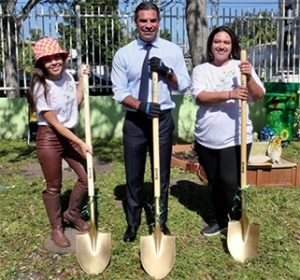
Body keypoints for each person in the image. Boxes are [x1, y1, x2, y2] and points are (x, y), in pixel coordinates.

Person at [111, 2, 190, 242]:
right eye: (143, 20)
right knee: (134, 175)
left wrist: (167, 71)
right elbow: (118, 91)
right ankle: (133, 223)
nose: (148, 25)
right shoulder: (124, 54)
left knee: (161, 173)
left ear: (159, 22)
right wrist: (141, 105)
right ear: (135, 22)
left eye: (152, 20)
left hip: (162, 119)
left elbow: (183, 85)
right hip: (136, 119)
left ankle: (160, 221)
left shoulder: (172, 50)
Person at [191, 26, 265, 236]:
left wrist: (249, 77)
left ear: (232, 46)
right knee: (214, 182)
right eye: (217, 42)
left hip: (236, 137)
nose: (221, 46)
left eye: (226, 42)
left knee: (231, 182)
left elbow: (258, 96)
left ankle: (237, 222)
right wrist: (230, 93)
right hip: (206, 137)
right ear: (211, 45)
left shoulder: (241, 67)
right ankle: (220, 219)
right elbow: (200, 97)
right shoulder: (201, 70)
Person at [27, 37, 92, 247]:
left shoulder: (66, 77)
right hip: (49, 137)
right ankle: (57, 228)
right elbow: (56, 125)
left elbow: (76, 101)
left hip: (68, 134)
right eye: (48, 59)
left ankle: (71, 214)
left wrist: (82, 79)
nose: (54, 62)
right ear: (41, 64)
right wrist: (81, 142)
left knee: (87, 175)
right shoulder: (40, 87)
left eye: (57, 57)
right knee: (54, 186)